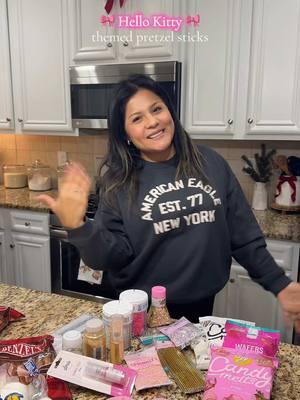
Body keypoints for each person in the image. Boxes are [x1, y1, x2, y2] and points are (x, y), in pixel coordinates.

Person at [38, 75, 300, 328]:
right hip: (143, 312)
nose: (152, 122)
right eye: (137, 118)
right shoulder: (119, 182)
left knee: (190, 372)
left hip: (202, 305)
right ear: (126, 133)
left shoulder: (210, 163)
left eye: (157, 109)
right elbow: (109, 257)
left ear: (170, 112)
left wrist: (280, 284)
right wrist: (78, 227)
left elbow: (244, 237)